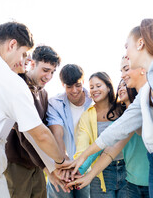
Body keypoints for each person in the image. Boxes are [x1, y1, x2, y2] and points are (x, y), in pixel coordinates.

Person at [64, 19, 153, 197]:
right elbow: (116, 132)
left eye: (126, 47)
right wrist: (84, 164)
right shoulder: (144, 93)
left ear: (140, 43)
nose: (126, 52)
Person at [0, 21, 68, 198]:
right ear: (12, 45)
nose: (23, 61)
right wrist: (60, 162)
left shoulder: (41, 93)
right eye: (23, 54)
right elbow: (36, 134)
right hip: (13, 161)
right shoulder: (11, 81)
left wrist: (50, 166)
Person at [5, 45, 65, 197]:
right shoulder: (18, 86)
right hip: (16, 163)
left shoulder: (44, 94)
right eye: (45, 70)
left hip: (36, 165)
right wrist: (49, 168)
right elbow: (26, 135)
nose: (49, 77)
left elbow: (45, 130)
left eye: (52, 72)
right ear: (32, 63)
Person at [74, 72, 127, 197]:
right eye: (91, 87)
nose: (94, 90)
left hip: (127, 168)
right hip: (101, 172)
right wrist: (77, 167)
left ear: (108, 87)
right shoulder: (87, 115)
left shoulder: (123, 109)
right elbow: (82, 146)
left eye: (98, 86)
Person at [46, 64, 92, 198]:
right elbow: (57, 134)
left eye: (78, 85)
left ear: (83, 82)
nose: (74, 90)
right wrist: (63, 163)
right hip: (61, 169)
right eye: (69, 86)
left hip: (86, 169)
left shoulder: (93, 101)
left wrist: (80, 166)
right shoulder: (55, 103)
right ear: (62, 84)